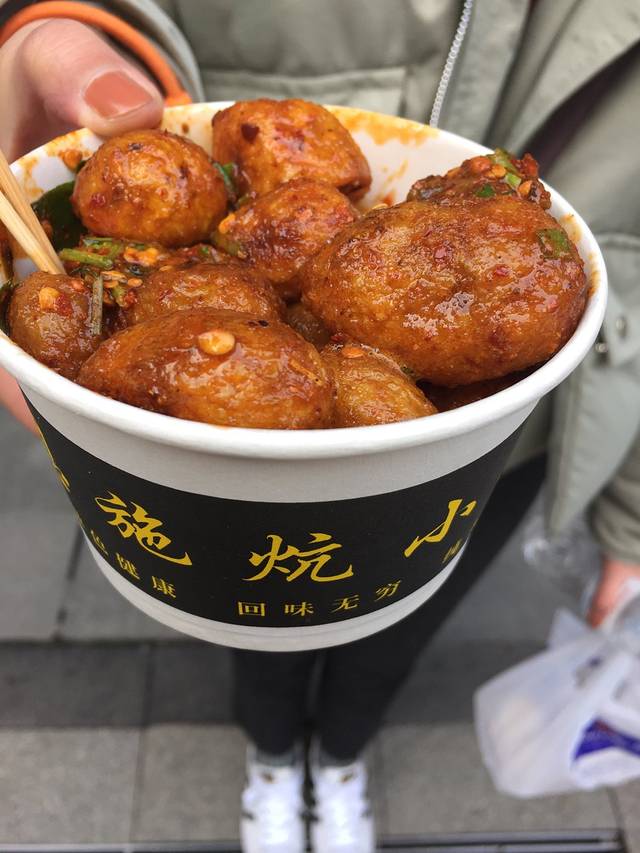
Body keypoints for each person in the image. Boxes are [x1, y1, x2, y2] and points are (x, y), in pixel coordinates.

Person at [1, 2, 640, 851]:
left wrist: (632, 520)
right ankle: (273, 756)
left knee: (394, 626)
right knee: (253, 616)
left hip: (508, 436)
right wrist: (67, 26)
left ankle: (339, 756)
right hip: (233, 442)